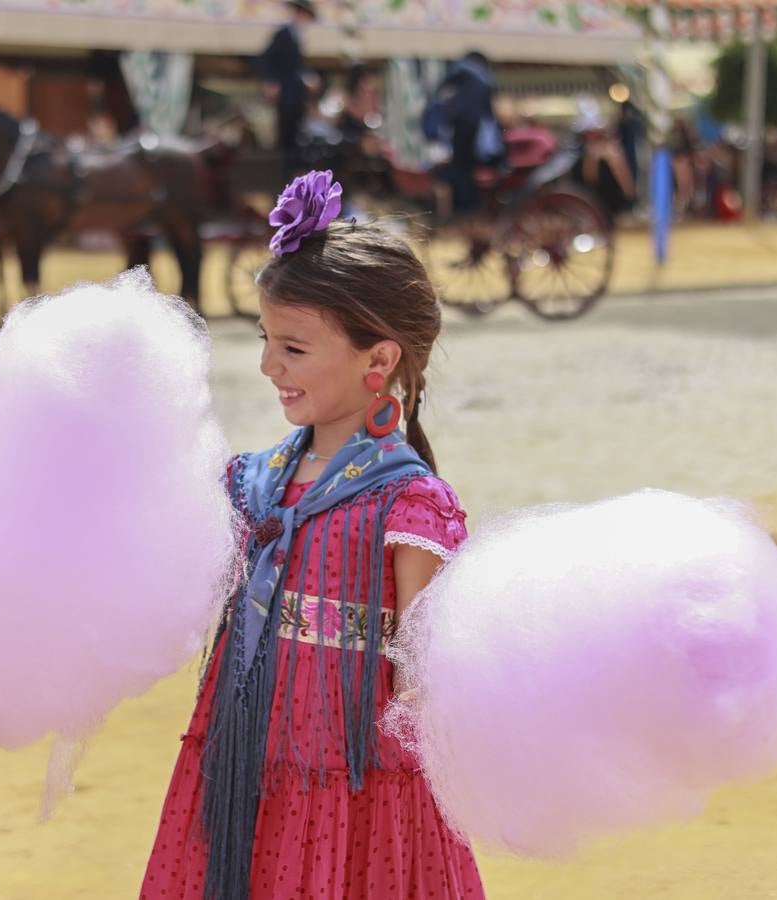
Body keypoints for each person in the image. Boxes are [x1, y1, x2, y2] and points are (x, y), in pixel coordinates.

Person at [140, 171, 484, 900]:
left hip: (356, 787)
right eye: (266, 340)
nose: (269, 366)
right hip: (244, 766)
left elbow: (423, 677)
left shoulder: (409, 504)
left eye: (293, 349)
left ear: (379, 360)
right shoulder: (247, 480)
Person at [425, 51, 502, 216]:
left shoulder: (454, 74)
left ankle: (455, 216)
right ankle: (466, 215)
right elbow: (488, 116)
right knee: (465, 177)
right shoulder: (483, 79)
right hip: (470, 137)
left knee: (454, 176)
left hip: (453, 138)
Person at [257, 0, 319, 181]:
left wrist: (308, 77)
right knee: (287, 135)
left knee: (296, 134)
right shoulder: (283, 34)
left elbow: (296, 67)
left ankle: (294, 173)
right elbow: (265, 60)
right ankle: (285, 175)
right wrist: (270, 81)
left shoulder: (296, 37)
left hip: (295, 95)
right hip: (287, 95)